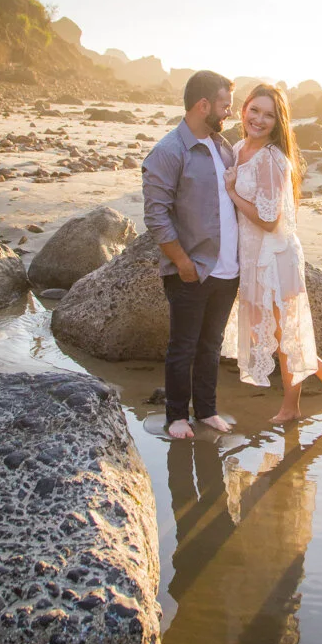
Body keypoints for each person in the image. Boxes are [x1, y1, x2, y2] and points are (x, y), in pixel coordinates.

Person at [223, 83, 322, 422]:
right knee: (277, 332)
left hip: (275, 254)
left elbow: (268, 219)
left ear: (278, 122)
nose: (259, 120)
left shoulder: (274, 160)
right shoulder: (237, 149)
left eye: (268, 115)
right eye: (254, 110)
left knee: (286, 332)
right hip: (253, 255)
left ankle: (291, 408)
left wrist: (232, 192)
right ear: (244, 108)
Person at [142, 70, 239, 439]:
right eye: (224, 106)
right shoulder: (169, 151)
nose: (228, 114)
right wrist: (182, 263)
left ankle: (208, 410)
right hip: (191, 270)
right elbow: (156, 215)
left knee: (211, 344)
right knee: (183, 347)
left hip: (228, 270)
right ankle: (177, 416)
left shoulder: (222, 146)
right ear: (203, 106)